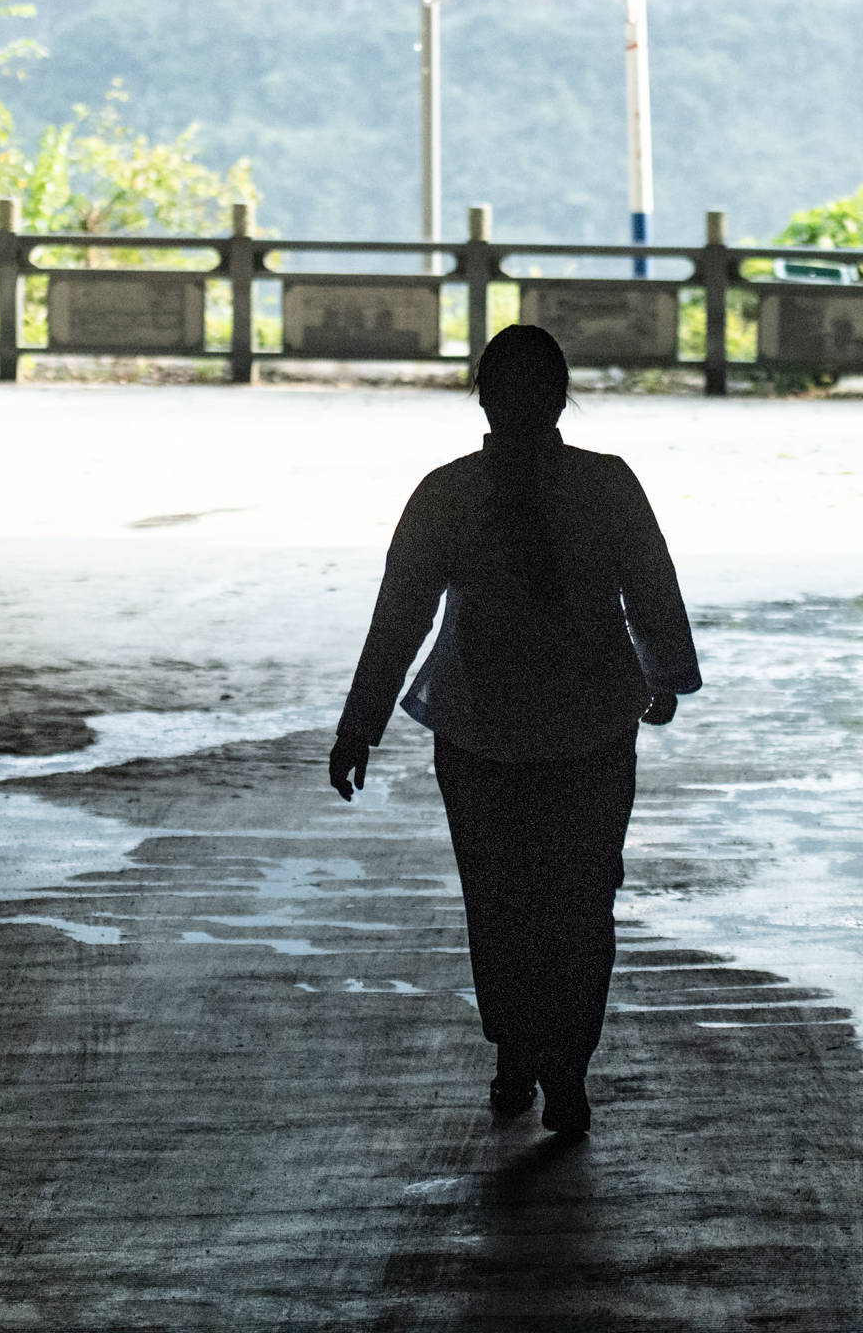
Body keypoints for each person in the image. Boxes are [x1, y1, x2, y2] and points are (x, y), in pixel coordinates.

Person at [328, 323, 700, 1137]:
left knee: (498, 900)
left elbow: (399, 618)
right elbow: (653, 586)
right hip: (592, 727)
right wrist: (666, 675)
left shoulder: (446, 493)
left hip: (476, 731)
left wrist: (360, 725)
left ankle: (514, 1049)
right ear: (564, 397)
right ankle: (567, 1064)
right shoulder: (608, 486)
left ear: (484, 398)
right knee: (581, 899)